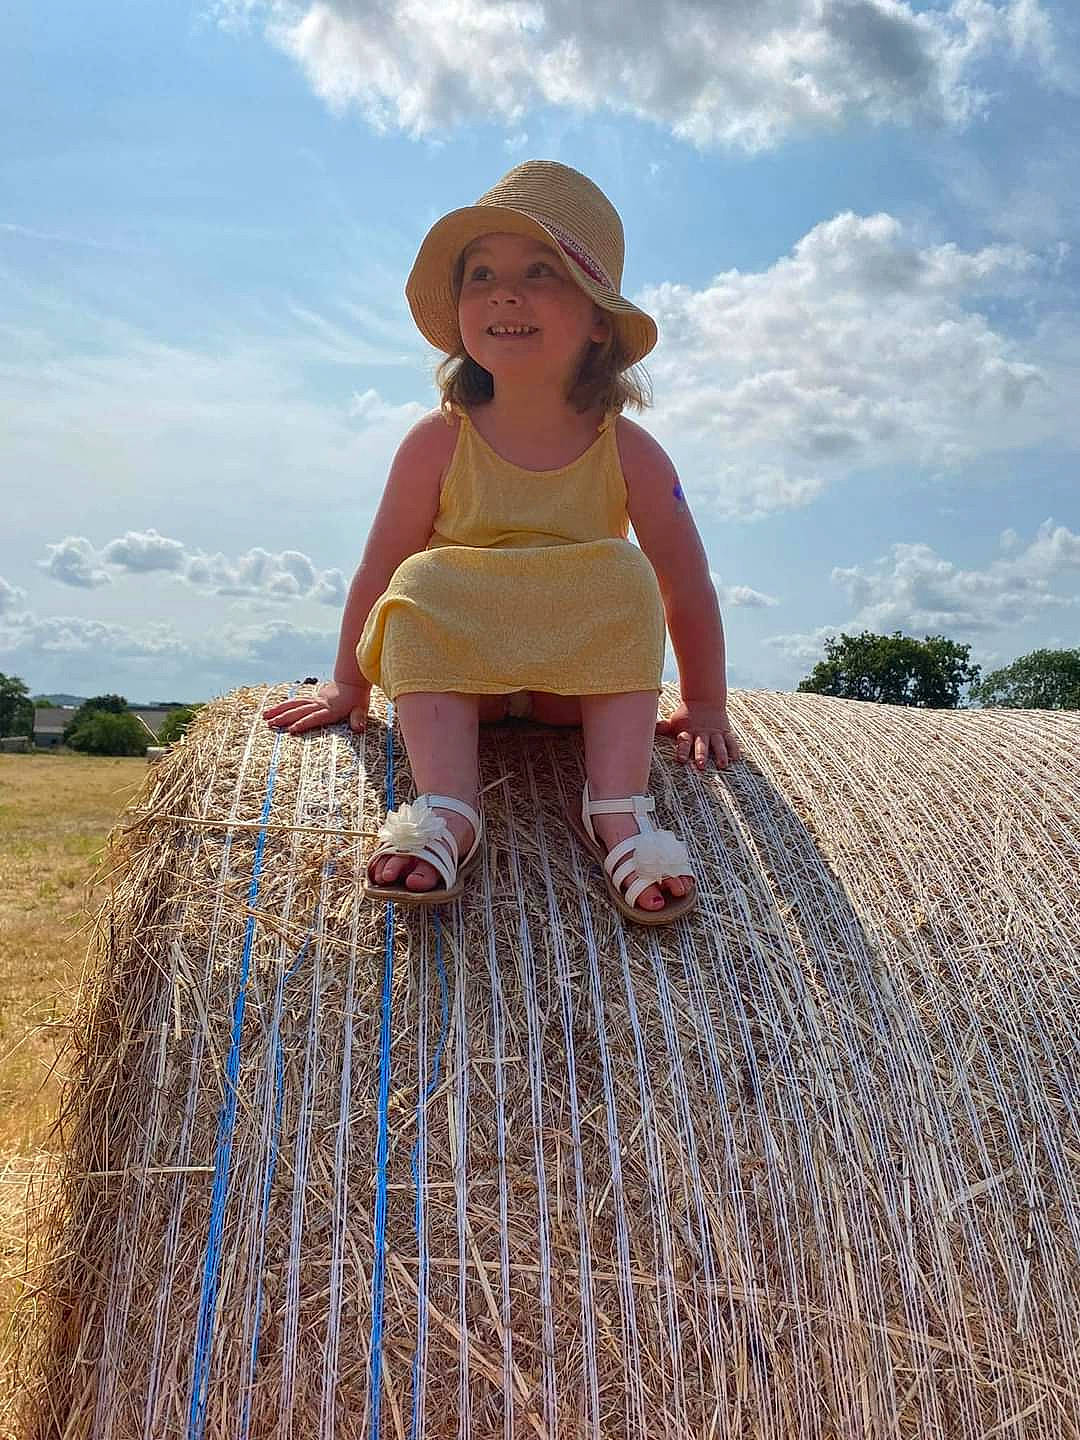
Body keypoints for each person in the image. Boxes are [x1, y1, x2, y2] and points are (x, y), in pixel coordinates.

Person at [264, 160, 741, 924]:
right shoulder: (436, 440)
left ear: (597, 321)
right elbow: (379, 567)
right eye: (480, 273)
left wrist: (708, 702)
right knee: (420, 579)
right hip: (462, 684)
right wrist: (347, 687)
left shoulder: (633, 451)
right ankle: (447, 808)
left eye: (540, 271)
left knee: (626, 572)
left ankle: (617, 808)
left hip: (571, 687)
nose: (503, 292)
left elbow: (686, 581)